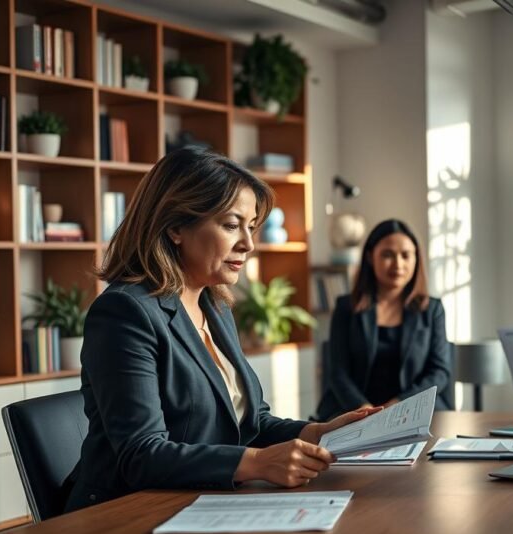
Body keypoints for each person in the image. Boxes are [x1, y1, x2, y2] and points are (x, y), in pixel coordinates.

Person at [65, 147, 378, 513]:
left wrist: (319, 432)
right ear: (176, 226)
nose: (248, 243)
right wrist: (258, 463)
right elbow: (142, 455)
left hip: (203, 503)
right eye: (232, 225)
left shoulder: (214, 306)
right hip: (126, 515)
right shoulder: (125, 312)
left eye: (251, 227)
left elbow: (252, 423)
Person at [315, 219, 452, 421]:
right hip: (353, 411)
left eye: (406, 255)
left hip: (415, 409)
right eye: (387, 255)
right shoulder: (346, 307)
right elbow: (338, 373)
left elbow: (439, 372)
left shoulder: (432, 310)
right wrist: (365, 410)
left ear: (416, 259)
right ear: (371, 257)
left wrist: (399, 404)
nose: (398, 264)